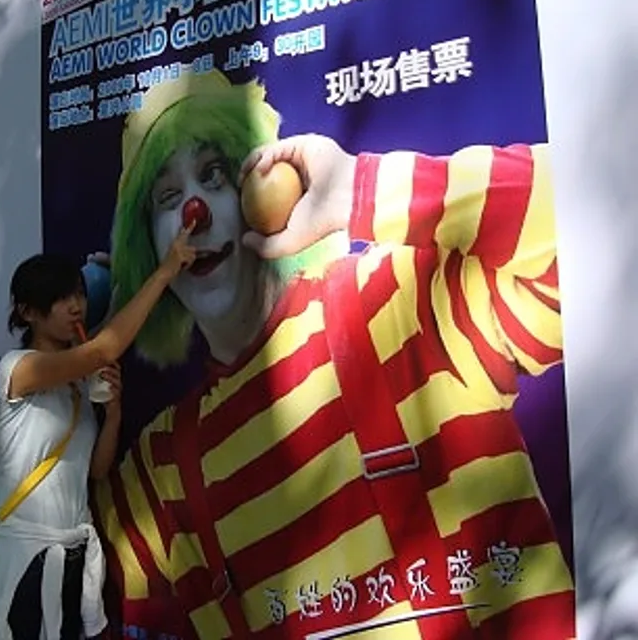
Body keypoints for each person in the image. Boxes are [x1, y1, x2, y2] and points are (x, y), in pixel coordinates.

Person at [92, 69, 574, 639]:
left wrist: (356, 190)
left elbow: (594, 221)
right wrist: (70, 346)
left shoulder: (401, 304)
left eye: (214, 174)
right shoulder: (163, 467)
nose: (192, 214)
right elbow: (62, 559)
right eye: (167, 198)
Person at [0, 230, 197, 640]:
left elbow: (97, 470)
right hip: (26, 560)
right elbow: (104, 349)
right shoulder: (19, 368)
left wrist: (113, 414)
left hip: (73, 554)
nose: (75, 306)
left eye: (78, 294)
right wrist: (165, 271)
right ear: (27, 312)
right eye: (60, 298)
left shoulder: (78, 383)